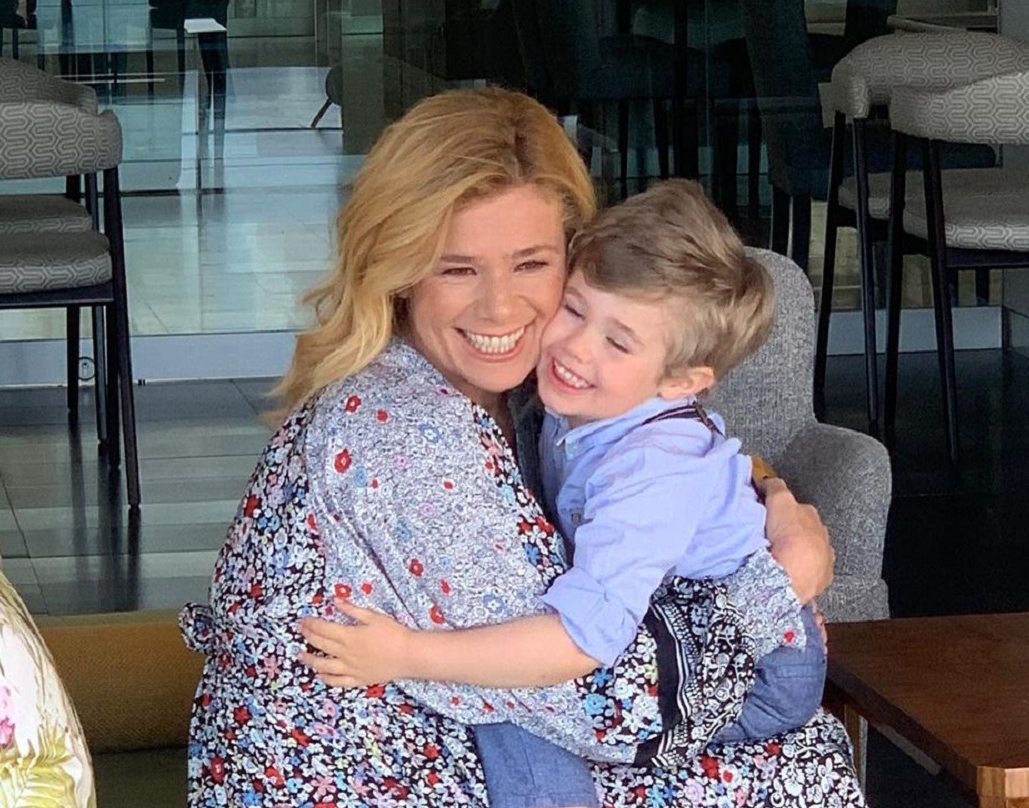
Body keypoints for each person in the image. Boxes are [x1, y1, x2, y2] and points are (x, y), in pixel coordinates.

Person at [181, 86, 859, 807]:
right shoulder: (404, 431)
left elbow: (681, 453)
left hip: (466, 726)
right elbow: (602, 698)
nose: (500, 307)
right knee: (797, 762)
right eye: (458, 268)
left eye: (531, 264)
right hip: (366, 770)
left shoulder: (539, 394)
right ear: (399, 272)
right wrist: (780, 584)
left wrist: (772, 503)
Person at [301, 178, 827, 808]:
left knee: (519, 703)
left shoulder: (650, 474)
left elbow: (581, 641)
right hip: (677, 614)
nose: (574, 348)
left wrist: (408, 653)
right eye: (575, 309)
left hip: (763, 671)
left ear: (682, 382)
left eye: (618, 341)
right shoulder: (586, 399)